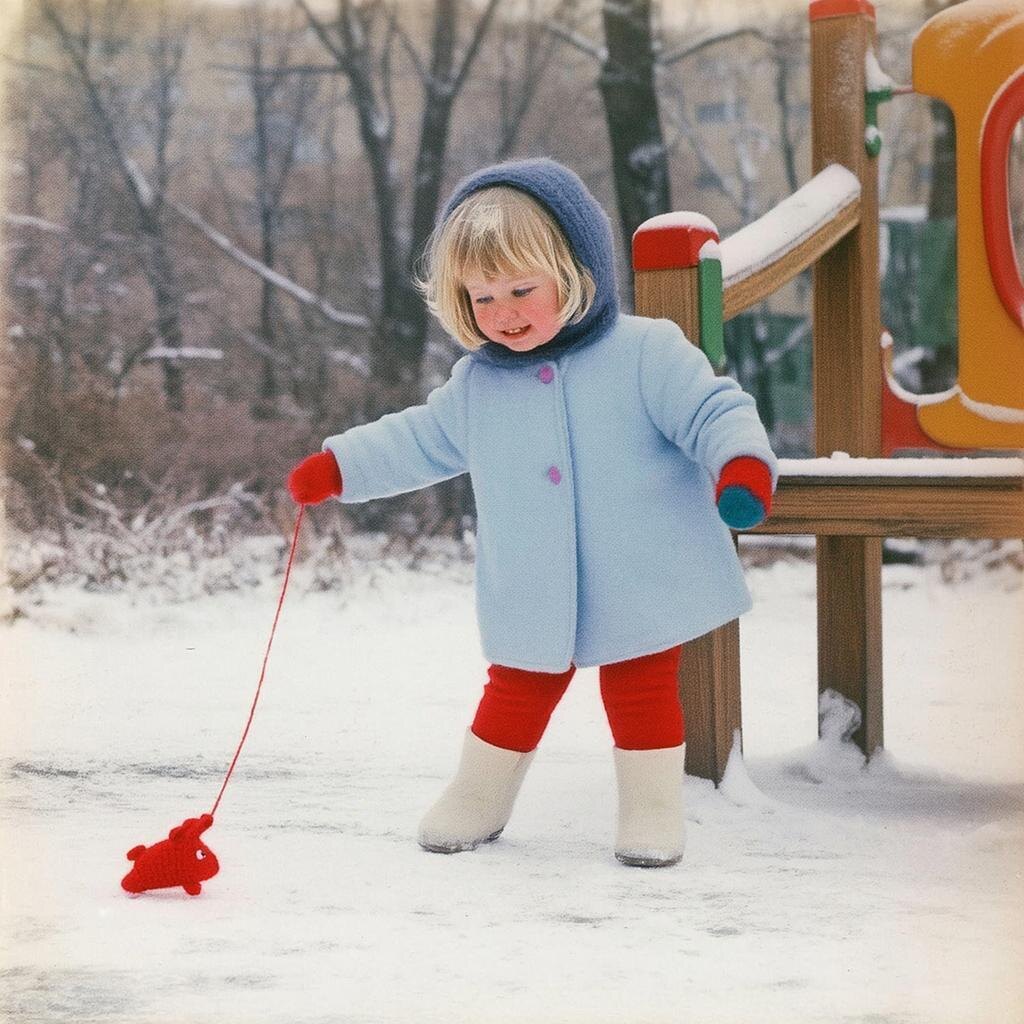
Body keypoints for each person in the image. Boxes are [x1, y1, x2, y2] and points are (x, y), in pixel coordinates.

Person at [288, 159, 777, 867]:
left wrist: (741, 465)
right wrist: (340, 467)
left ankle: (651, 807)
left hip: (637, 575)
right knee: (515, 688)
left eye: (522, 290)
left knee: (640, 686)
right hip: (533, 584)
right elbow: (418, 439)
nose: (504, 312)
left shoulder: (644, 353)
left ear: (577, 273)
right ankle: (479, 797)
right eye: (482, 297)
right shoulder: (478, 386)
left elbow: (711, 409)